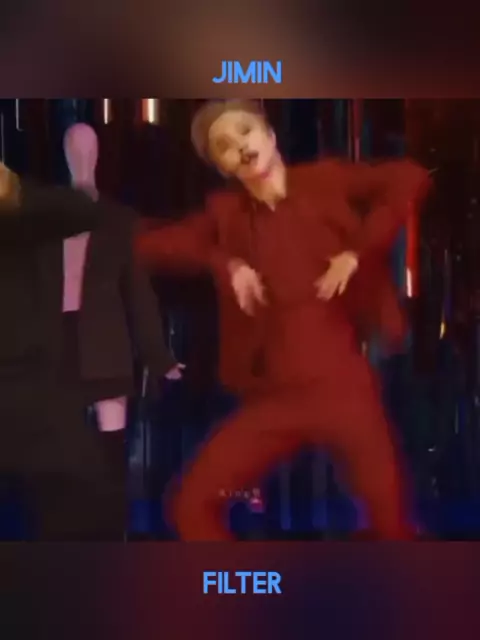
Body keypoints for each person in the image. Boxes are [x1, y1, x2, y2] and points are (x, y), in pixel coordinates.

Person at [136, 99, 431, 541]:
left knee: (392, 527)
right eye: (224, 146)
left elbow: (410, 177)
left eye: (245, 131)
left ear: (270, 135)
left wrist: (356, 252)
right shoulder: (227, 216)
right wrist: (226, 263)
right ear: (221, 166)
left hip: (346, 391)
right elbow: (152, 246)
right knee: (189, 507)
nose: (240, 146)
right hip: (274, 401)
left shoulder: (325, 181)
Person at [0, 159, 176, 541]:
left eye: (88, 149)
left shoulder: (110, 218)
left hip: (92, 348)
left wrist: (158, 355)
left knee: (102, 456)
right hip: (42, 355)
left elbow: (137, 292)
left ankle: (110, 538)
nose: (81, 156)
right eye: (72, 149)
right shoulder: (39, 220)